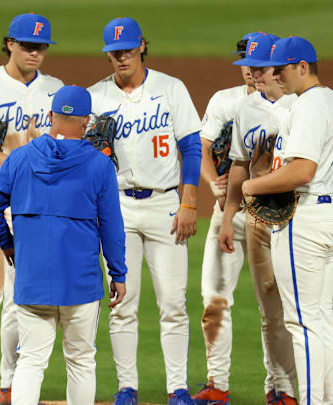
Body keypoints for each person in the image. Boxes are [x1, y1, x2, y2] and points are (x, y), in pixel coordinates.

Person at [0, 85, 128, 405]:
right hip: (81, 282)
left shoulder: (20, 158)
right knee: (81, 361)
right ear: (86, 122)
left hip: (33, 279)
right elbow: (112, 227)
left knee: (31, 360)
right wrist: (118, 273)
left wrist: (7, 245)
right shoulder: (99, 165)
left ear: (49, 117)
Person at [87, 17, 203, 405]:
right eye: (113, 52)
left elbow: (191, 147)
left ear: (141, 47)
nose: (121, 57)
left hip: (166, 204)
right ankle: (126, 388)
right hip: (116, 207)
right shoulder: (95, 97)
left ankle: (178, 388)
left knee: (173, 302)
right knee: (122, 302)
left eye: (127, 50)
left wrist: (188, 201)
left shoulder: (171, 88)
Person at [240, 36, 333, 405]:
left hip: (304, 219)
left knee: (302, 323)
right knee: (322, 316)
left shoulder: (308, 106)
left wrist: (252, 185)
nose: (276, 75)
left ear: (302, 67)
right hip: (330, 214)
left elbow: (302, 171)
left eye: (282, 69)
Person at [0, 13, 64, 405]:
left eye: (41, 46)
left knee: (19, 300)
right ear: (9, 44)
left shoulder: (56, 89)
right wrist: (8, 164)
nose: (35, 52)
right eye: (27, 45)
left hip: (34, 208)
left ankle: (9, 384)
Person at [194, 32, 296, 405]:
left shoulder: (297, 105)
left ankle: (281, 388)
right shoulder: (228, 102)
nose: (251, 72)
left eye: (257, 65)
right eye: (246, 64)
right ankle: (217, 384)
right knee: (214, 299)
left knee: (273, 308)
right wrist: (218, 193)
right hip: (232, 212)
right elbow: (205, 150)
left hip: (273, 219)